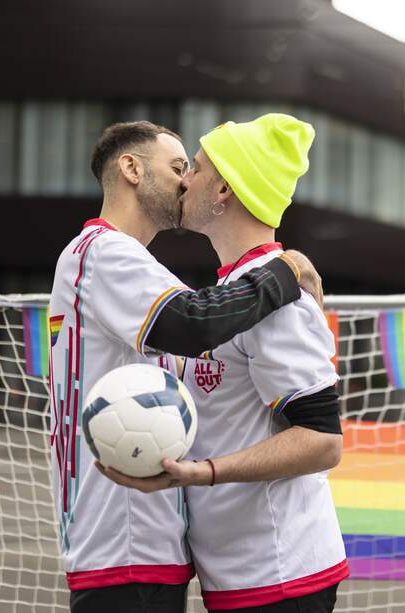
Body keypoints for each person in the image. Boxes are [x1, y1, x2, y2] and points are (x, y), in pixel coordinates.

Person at [47, 120, 324, 613]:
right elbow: (195, 322)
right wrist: (285, 267)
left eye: (190, 168)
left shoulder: (129, 263)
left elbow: (319, 435)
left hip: (147, 541)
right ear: (131, 169)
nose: (185, 181)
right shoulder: (103, 252)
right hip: (123, 539)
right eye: (178, 166)